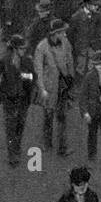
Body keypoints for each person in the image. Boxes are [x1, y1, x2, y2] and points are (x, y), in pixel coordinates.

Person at [0, 34, 34, 167]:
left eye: (24, 48)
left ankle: (17, 146)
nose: (23, 51)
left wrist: (28, 82)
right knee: (10, 127)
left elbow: (32, 77)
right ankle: (12, 154)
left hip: (23, 98)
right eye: (21, 48)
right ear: (14, 49)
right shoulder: (4, 60)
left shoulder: (27, 60)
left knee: (20, 124)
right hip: (9, 98)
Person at [34, 17, 75, 155]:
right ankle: (47, 143)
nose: (64, 34)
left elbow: (70, 61)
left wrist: (71, 79)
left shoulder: (66, 43)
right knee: (48, 115)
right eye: (61, 32)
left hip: (63, 86)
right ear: (54, 34)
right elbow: (38, 71)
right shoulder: (41, 47)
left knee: (62, 117)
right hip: (50, 88)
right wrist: (42, 89)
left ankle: (62, 148)